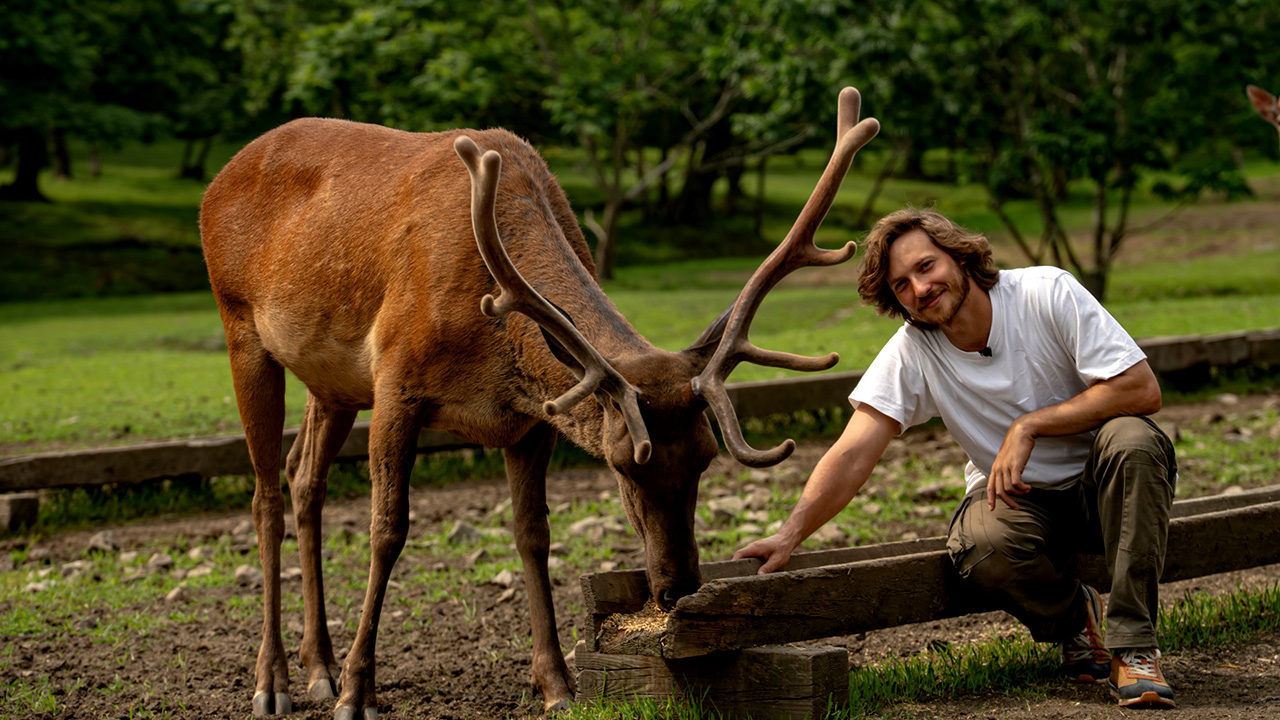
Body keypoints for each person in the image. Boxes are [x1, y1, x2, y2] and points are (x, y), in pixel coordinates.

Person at [734, 208, 1178, 709]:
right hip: (1020, 500)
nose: (920, 289)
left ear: (961, 256)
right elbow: (854, 450)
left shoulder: (1045, 292)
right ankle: (1078, 616)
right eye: (901, 285)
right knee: (979, 548)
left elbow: (1141, 388)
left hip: (1105, 492)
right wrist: (790, 533)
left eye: (926, 267)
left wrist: (1029, 424)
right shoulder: (914, 349)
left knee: (1133, 440)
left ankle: (1135, 647)